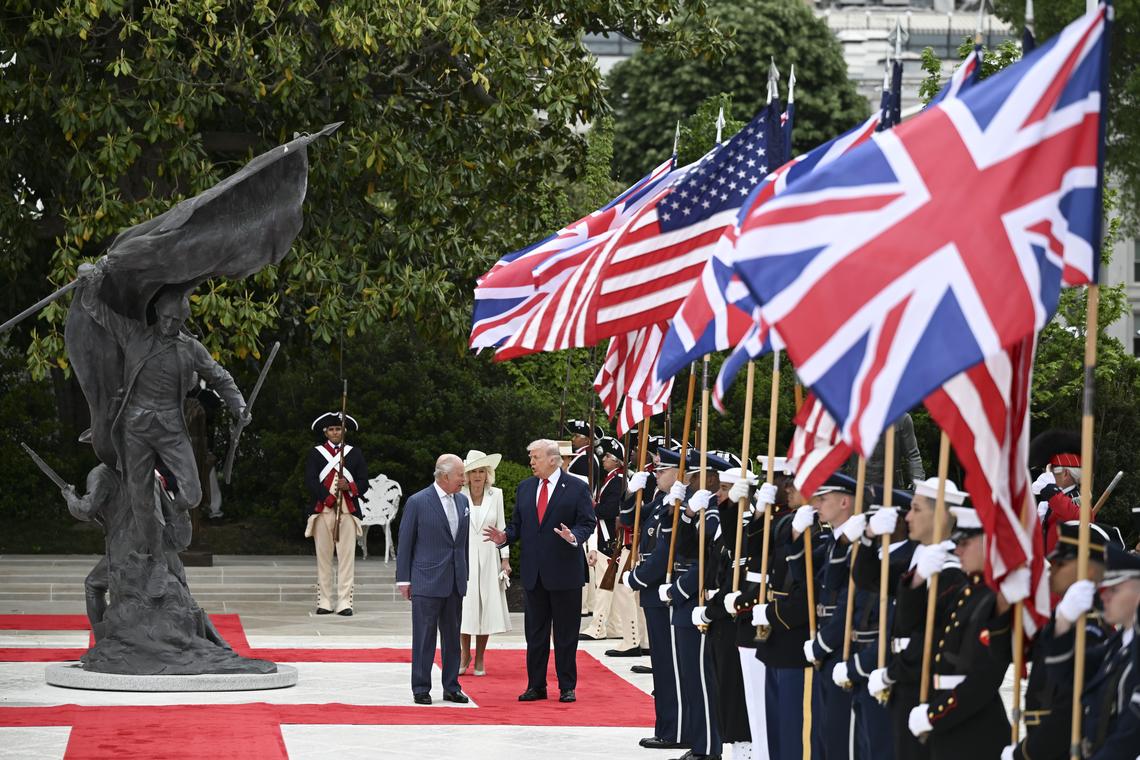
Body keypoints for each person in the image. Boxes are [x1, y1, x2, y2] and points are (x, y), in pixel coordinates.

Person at [79, 273, 249, 598]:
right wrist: (89, 282)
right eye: (167, 317)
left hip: (171, 427)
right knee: (140, 498)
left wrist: (238, 405)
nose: (171, 324)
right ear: (158, 313)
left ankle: (169, 512)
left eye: (178, 320)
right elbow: (96, 310)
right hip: (135, 428)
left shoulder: (191, 348)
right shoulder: (133, 334)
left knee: (194, 494)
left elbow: (220, 376)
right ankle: (157, 561)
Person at [484, 439, 596, 703]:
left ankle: (567, 686)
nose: (531, 462)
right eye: (531, 457)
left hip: (565, 572)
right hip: (534, 574)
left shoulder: (577, 487)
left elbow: (587, 522)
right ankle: (536, 685)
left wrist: (574, 536)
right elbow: (517, 526)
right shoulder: (525, 488)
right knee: (535, 634)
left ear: (553, 460)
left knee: (566, 634)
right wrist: (503, 537)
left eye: (535, 457)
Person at [907, 500, 1013, 759]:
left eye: (965, 543)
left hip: (974, 728)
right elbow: (910, 624)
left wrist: (935, 714)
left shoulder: (996, 600)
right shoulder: (967, 593)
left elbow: (983, 679)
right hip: (951, 722)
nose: (958, 550)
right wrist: (917, 580)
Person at [1005, 521, 1113, 760]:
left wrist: (1024, 753)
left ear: (1089, 571)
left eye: (1061, 563)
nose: (1051, 568)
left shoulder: (1089, 629)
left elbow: (1071, 712)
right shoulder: (1063, 620)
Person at [623, 449, 687, 750]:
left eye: (663, 470)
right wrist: (630, 493)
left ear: (679, 473)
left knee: (668, 664)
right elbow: (630, 519)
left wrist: (638, 577)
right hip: (653, 591)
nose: (656, 474)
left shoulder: (677, 503)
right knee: (661, 664)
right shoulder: (662, 501)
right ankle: (666, 727)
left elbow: (665, 552)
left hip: (663, 589)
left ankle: (674, 730)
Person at [396, 454, 471, 705]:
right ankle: (420, 687)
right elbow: (405, 542)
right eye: (461, 474)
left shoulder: (462, 502)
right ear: (445, 475)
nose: (464, 479)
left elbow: (462, 544)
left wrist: (465, 572)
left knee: (452, 637)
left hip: (454, 580)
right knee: (424, 637)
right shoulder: (418, 501)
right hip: (426, 580)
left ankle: (452, 686)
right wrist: (403, 580)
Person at [304, 412, 370, 616]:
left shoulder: (354, 453)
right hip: (323, 512)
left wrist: (348, 486)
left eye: (338, 429)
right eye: (331, 429)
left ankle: (344, 602)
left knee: (346, 559)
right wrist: (329, 498)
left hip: (348, 513)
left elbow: (363, 483)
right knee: (323, 559)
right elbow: (311, 481)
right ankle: (324, 600)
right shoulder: (316, 454)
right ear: (325, 432)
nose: (335, 432)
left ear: (344, 431)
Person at [459, 449, 512, 675]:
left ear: (487, 474)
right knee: (465, 607)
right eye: (474, 472)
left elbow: (501, 528)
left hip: (490, 557)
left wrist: (505, 560)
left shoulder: (496, 495)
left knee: (485, 607)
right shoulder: (459, 494)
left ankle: (480, 656)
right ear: (467, 475)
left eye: (482, 471)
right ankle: (464, 654)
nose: (478, 476)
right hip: (465, 557)